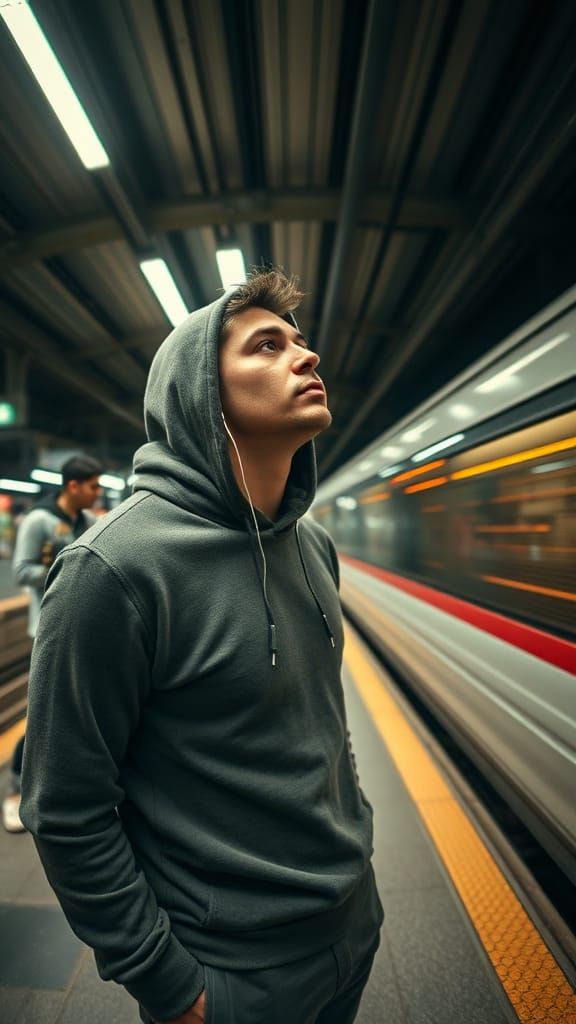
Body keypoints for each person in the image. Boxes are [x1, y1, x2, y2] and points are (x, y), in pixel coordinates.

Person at [20, 269, 383, 1024]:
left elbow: (322, 718)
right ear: (201, 395)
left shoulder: (312, 546)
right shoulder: (114, 570)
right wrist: (170, 986)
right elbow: (66, 807)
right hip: (233, 973)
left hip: (352, 923)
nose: (307, 356)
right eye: (267, 345)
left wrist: (359, 836)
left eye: (301, 340)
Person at [2, 455, 102, 832]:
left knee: (74, 713)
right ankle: (14, 791)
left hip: (83, 627)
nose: (97, 493)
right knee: (42, 714)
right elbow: (23, 570)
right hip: (46, 629)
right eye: (92, 486)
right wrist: (70, 567)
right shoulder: (39, 520)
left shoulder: (87, 521)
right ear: (72, 486)